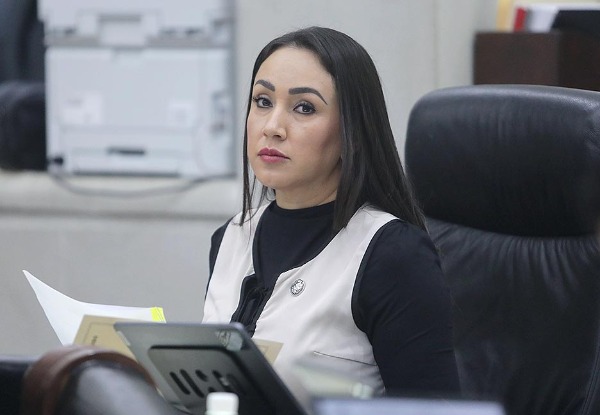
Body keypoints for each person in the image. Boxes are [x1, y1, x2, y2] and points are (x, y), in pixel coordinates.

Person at [203, 26, 460, 399]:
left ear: (351, 131)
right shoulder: (231, 237)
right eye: (262, 101)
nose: (272, 127)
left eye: (304, 108)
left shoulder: (393, 254)